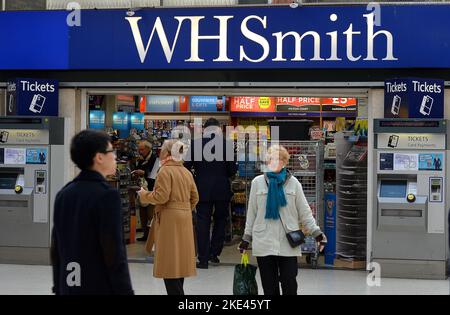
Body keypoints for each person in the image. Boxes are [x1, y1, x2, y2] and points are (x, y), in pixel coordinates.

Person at [51, 130, 133, 295]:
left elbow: (56, 248)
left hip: (69, 285)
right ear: (99, 157)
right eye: (111, 151)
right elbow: (114, 253)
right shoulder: (107, 195)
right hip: (98, 284)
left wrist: (58, 287)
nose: (115, 156)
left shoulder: (64, 194)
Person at [239, 145, 327, 295]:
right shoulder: (257, 183)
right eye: (271, 159)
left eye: (279, 159)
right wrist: (246, 238)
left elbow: (305, 212)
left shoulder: (294, 184)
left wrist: (317, 233)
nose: (275, 162)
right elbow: (252, 213)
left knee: (289, 282)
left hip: (288, 242)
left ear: (285, 162)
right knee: (269, 286)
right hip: (264, 240)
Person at [138, 139, 199, 295]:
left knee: (169, 263)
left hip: (168, 220)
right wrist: (184, 209)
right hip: (185, 218)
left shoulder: (165, 171)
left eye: (162, 150)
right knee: (179, 262)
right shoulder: (186, 172)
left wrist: (144, 195)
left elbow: (161, 197)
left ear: (166, 152)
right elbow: (195, 197)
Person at [184, 117, 238, 269]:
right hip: (222, 189)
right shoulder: (227, 145)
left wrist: (197, 178)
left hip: (201, 189)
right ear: (219, 129)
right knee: (220, 221)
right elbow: (232, 170)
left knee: (202, 223)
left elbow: (186, 167)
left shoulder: (195, 144)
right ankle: (215, 254)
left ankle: (203, 259)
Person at [132, 140, 158, 241]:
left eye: (142, 149)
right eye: (139, 150)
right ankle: (145, 235)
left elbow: (155, 175)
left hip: (151, 190)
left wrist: (144, 173)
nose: (140, 151)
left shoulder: (155, 159)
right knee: (143, 214)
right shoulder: (140, 159)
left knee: (150, 214)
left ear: (148, 149)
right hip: (142, 190)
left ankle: (153, 237)